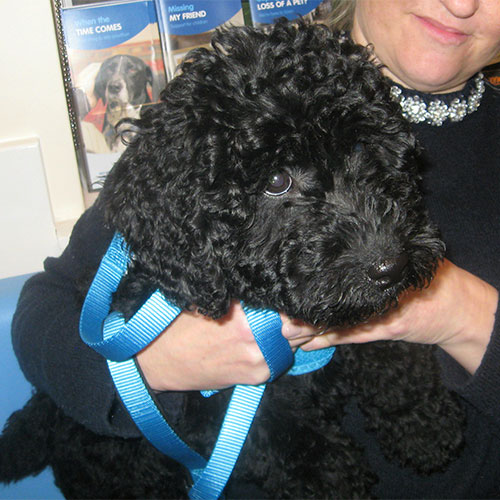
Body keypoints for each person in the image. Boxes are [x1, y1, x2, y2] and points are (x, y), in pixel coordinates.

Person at [11, 0, 500, 496]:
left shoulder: (341, 94)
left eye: (357, 151)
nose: (460, 4)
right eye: (279, 180)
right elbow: (43, 313)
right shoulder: (217, 117)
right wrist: (151, 368)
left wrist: (463, 314)